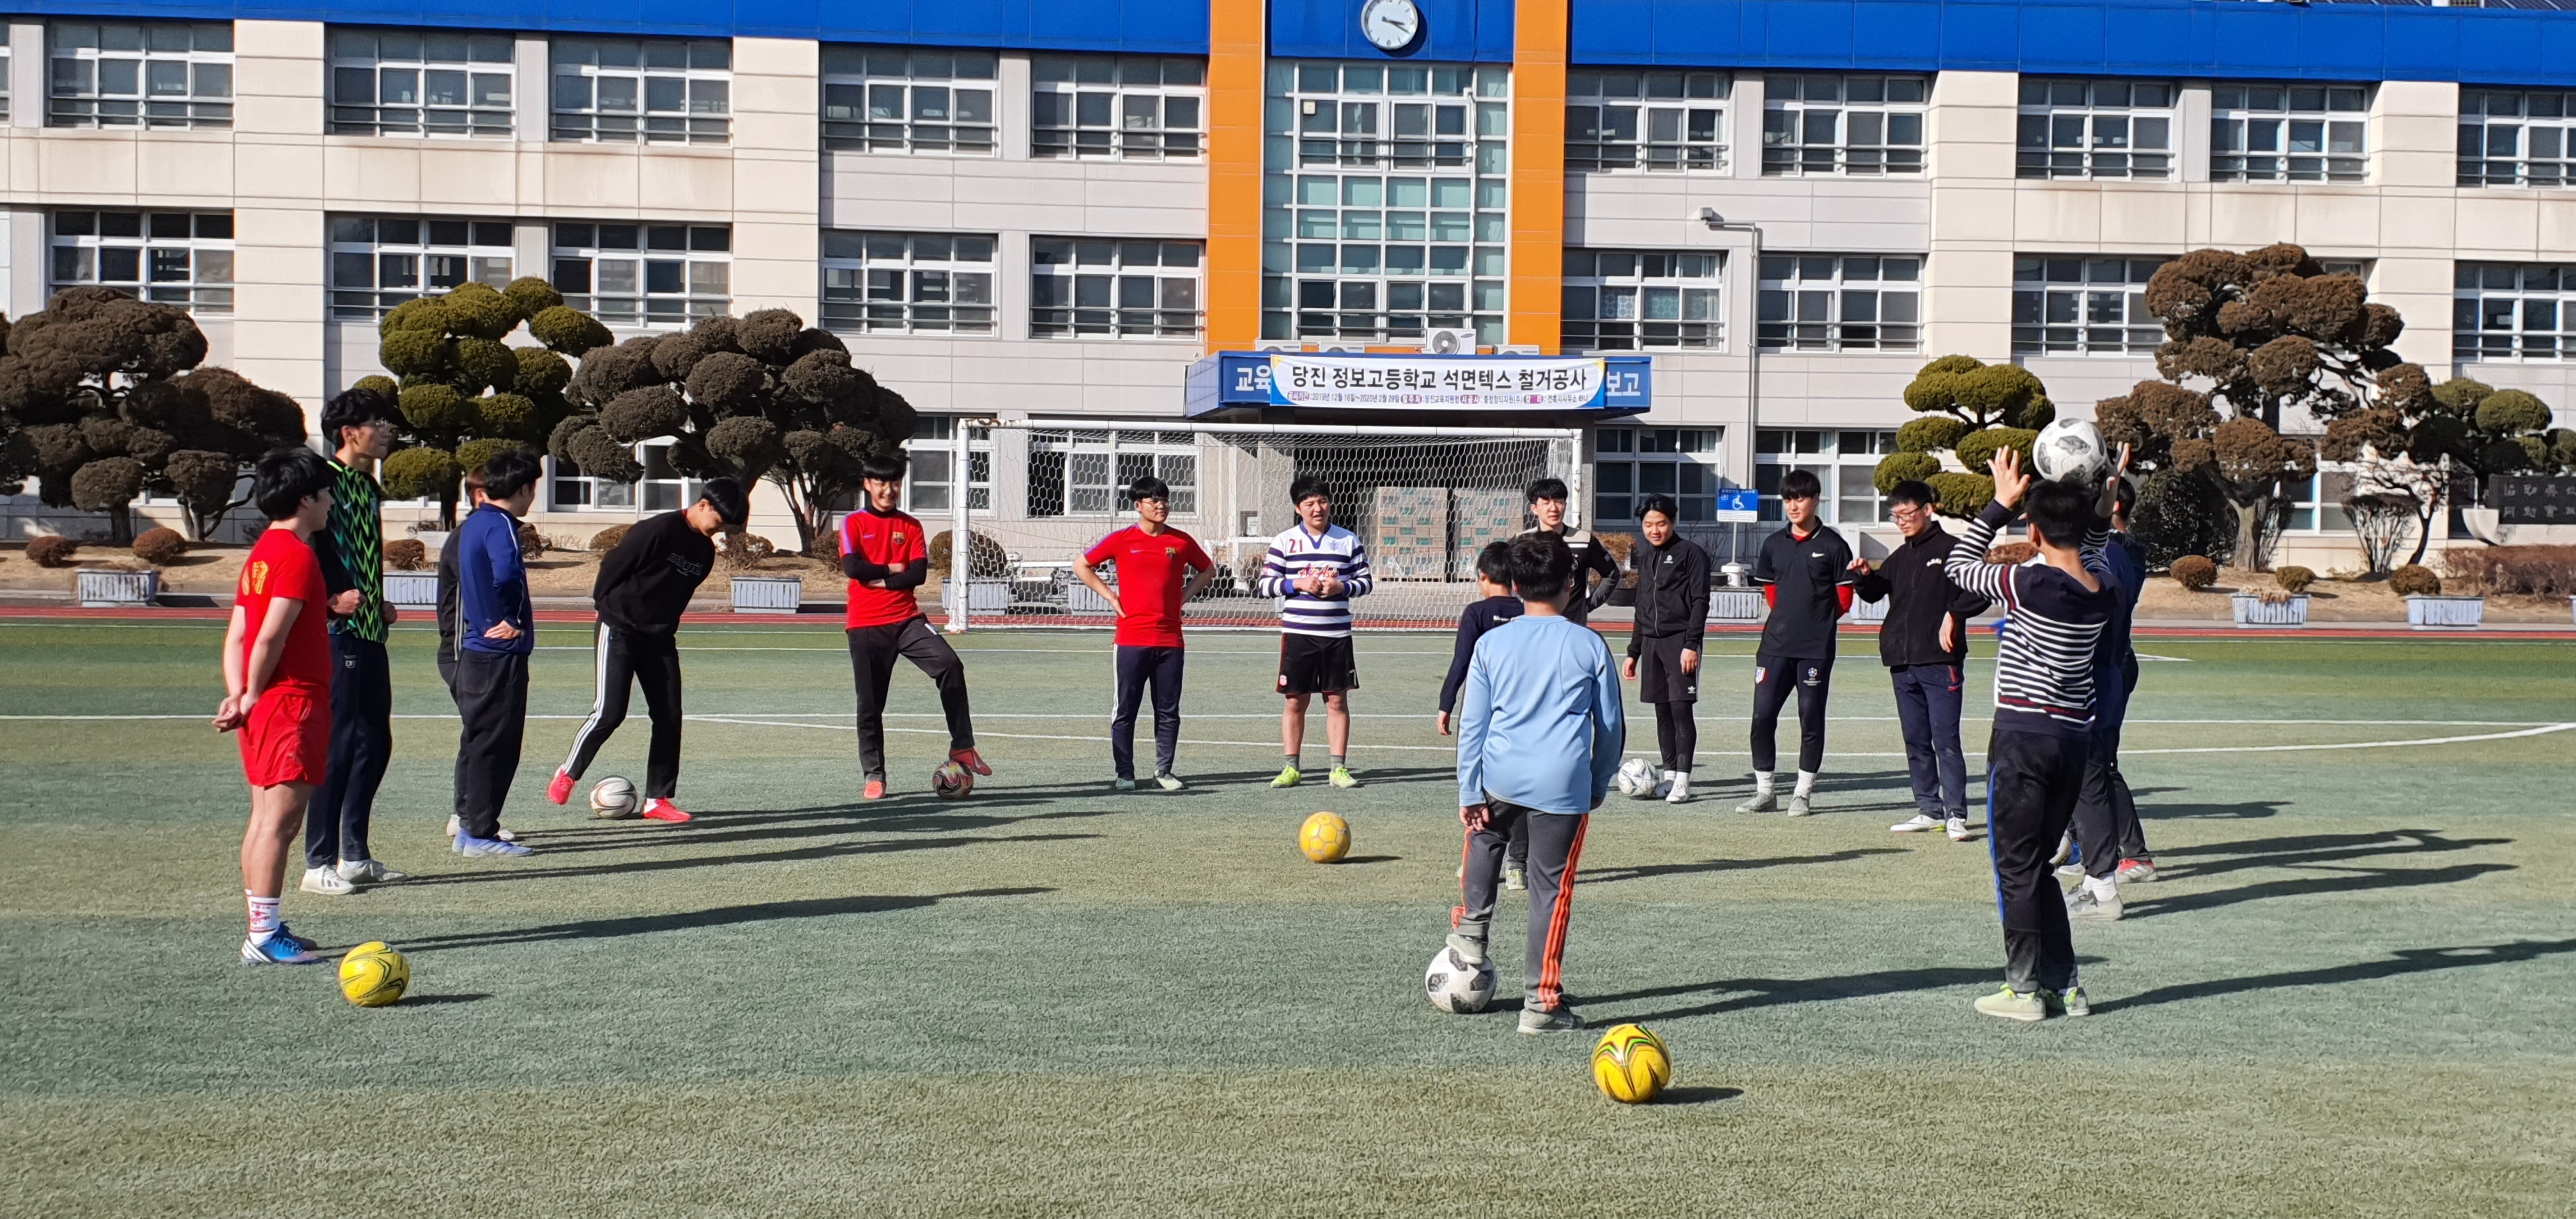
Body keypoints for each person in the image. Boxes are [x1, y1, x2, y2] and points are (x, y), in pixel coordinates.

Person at [1943, 447, 2121, 1022]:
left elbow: (1958, 567)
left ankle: (2023, 992)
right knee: (2039, 865)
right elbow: (2092, 548)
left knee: (2016, 869)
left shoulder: (2027, 582)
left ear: (2035, 531)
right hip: (2072, 741)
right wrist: (2103, 505)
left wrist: (1999, 503)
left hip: (2022, 741)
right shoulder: (2102, 587)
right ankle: (2066, 987)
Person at [1447, 533, 1625, 1034]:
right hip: (1561, 784)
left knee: (1484, 836)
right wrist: (1597, 782)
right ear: (1570, 584)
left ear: (1516, 585)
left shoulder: (1491, 643)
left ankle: (1471, 931)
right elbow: (1611, 726)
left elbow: (1473, 726)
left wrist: (1469, 789)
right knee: (1550, 891)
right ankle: (1541, 1004)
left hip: (1500, 775)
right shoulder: (1589, 643)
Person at [548, 478, 749, 822]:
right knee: (609, 712)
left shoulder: (704, 552)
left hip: (659, 639)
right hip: (619, 629)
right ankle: (568, 772)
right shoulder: (657, 530)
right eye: (718, 522)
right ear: (703, 505)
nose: (719, 531)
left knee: (669, 716)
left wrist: (662, 626)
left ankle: (658, 799)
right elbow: (613, 566)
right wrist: (606, 608)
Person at [218, 447, 340, 964]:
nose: (331, 502)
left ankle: (262, 925)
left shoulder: (262, 552)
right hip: (291, 702)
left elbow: (237, 635)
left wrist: (240, 693)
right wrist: (250, 692)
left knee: (263, 819)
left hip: (265, 703)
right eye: (326, 493)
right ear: (306, 499)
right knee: (280, 825)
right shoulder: (296, 554)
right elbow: (269, 637)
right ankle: (264, 938)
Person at [303, 388, 408, 896]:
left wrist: (377, 599)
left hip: (369, 630)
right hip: (337, 632)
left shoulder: (366, 485)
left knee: (376, 741)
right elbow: (305, 545)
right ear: (350, 432)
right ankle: (317, 861)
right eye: (377, 422)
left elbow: (360, 553)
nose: (387, 430)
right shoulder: (322, 481)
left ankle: (355, 855)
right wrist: (329, 601)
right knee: (339, 745)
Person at [1851, 479, 1992, 843]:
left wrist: (1954, 614)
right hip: (1902, 662)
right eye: (1895, 516)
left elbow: (1981, 591)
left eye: (1907, 513)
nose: (1901, 521)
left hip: (1940, 660)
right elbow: (1875, 593)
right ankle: (1929, 810)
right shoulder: (1901, 556)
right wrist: (1864, 577)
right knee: (1915, 739)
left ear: (1928, 510)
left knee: (1946, 739)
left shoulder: (1952, 550)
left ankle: (1956, 814)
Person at [841, 452, 988, 799]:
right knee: (870, 704)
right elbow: (853, 569)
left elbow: (918, 574)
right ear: (868, 484)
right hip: (866, 624)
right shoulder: (853, 523)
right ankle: (874, 774)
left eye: (894, 483)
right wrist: (894, 569)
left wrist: (883, 578)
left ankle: (962, 745)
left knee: (950, 664)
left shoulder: (910, 525)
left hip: (908, 619)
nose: (888, 490)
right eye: (881, 483)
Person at [1074, 475, 1216, 791]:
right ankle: (1125, 774)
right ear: (1139, 506)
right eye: (1154, 500)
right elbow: (1081, 565)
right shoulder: (1122, 540)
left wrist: (1183, 597)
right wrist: (1111, 597)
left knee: (1168, 710)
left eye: (1164, 499)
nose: (1161, 505)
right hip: (1131, 640)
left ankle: (1163, 772)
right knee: (1126, 709)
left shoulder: (1181, 541)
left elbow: (1208, 570)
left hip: (1170, 641)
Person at [2065, 458, 2158, 919]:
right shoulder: (2116, 551)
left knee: (2096, 771)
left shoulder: (2114, 555)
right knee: (2091, 770)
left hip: (2104, 671)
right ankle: (2095, 855)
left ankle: (2121, 861)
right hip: (2107, 669)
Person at [1740, 470, 1855, 816]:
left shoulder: (1834, 545)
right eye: (1788, 499)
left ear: (1816, 499)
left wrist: (1815, 622)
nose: (1793, 505)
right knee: (1762, 717)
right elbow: (1772, 594)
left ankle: (1802, 794)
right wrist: (1789, 621)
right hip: (1774, 647)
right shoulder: (1773, 544)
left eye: (1800, 498)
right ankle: (1765, 792)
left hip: (1815, 650)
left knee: (1810, 717)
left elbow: (1844, 600)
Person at [450, 452, 541, 858]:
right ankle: (479, 834)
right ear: (524, 488)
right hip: (498, 653)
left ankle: (469, 825)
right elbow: (506, 574)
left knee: (478, 741)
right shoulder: (502, 525)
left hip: (476, 651)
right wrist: (511, 619)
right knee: (498, 745)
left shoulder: (474, 522)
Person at [1257, 477, 1373, 790]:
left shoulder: (1347, 540)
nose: (1317, 509)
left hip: (1337, 636)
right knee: (1295, 701)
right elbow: (1265, 585)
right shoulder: (1285, 541)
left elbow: (1366, 582)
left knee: (1337, 700)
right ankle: (1291, 768)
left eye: (1322, 501)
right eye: (1309, 504)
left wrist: (1341, 587)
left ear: (1330, 503)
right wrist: (1297, 583)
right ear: (1298, 508)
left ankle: (1338, 769)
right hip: (1298, 634)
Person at [1438, 540, 1528, 889]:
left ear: (1484, 576)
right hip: (1519, 711)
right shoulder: (1527, 610)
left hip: (1483, 709)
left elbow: (1461, 661)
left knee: (1480, 784)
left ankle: (1477, 859)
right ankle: (1518, 866)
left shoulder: (1476, 612)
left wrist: (1446, 704)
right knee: (1519, 788)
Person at [436, 468, 515, 845]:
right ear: (481, 495)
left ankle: (467, 815)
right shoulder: (470, 534)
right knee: (481, 734)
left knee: (479, 734)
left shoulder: (486, 530)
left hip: (476, 649)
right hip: (465, 651)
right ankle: (468, 819)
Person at [1623, 494, 1711, 803]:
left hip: (1679, 642)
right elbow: (1642, 607)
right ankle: (1670, 776)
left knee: (1680, 709)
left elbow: (1700, 602)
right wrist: (1634, 652)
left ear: (1673, 522)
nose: (1654, 530)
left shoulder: (1692, 554)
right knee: (1662, 711)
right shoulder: (1647, 558)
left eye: (1661, 523)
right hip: (1651, 644)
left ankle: (1683, 781)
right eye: (1648, 524)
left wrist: (1691, 644)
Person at [1518, 477, 1619, 627]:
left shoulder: (1584, 540)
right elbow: (1501, 575)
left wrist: (1588, 605)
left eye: (1559, 502)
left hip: (1573, 624)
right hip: (1532, 624)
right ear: (1534, 509)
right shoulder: (1522, 541)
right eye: (1546, 503)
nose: (1554, 508)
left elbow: (1611, 574)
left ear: (1565, 505)